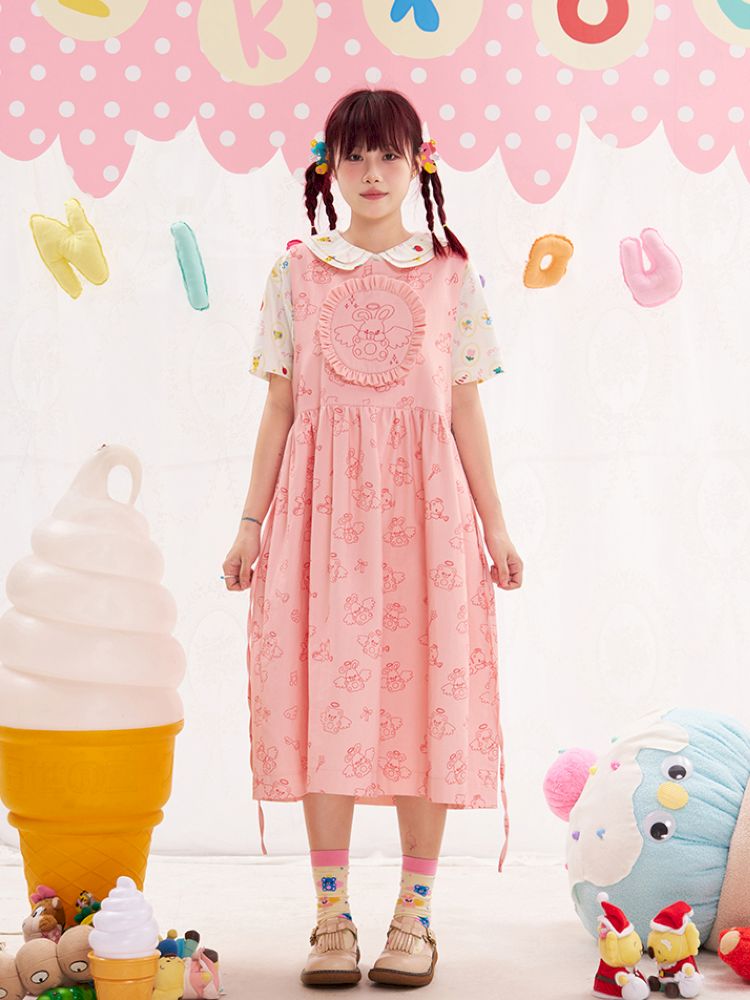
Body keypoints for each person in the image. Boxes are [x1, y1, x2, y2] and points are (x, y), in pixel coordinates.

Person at [223, 87, 524, 989]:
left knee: (426, 702)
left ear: (418, 163)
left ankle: (414, 916)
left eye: (389, 154)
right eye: (353, 155)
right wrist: (249, 525)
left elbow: (464, 408)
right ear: (329, 168)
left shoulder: (450, 273)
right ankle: (331, 918)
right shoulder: (296, 273)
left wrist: (496, 525)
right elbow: (279, 407)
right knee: (326, 701)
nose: (372, 172)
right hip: (319, 523)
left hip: (426, 522)